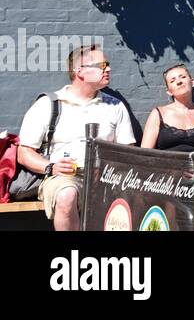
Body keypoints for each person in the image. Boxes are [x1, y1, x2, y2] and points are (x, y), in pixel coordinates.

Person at [17, 45, 135, 231]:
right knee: (67, 195)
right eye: (102, 65)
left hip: (105, 177)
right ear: (80, 71)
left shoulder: (115, 106)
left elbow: (128, 151)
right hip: (64, 176)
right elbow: (24, 153)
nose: (109, 69)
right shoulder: (49, 104)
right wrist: (51, 167)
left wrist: (110, 168)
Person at [140, 63, 194, 153]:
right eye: (172, 81)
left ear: (192, 82)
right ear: (169, 91)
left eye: (182, 77)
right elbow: (145, 153)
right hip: (166, 166)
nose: (179, 82)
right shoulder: (158, 113)